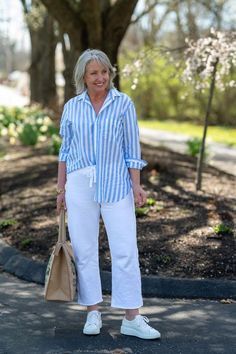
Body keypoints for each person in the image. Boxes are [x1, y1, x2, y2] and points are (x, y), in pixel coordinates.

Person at [56, 49, 161, 340]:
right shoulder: (72, 107)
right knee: (86, 250)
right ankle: (93, 311)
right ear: (83, 77)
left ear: (110, 74)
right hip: (79, 185)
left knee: (126, 248)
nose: (100, 78)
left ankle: (131, 317)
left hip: (116, 185)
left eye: (104, 72)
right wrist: (61, 189)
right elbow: (65, 152)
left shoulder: (123, 104)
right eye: (94, 73)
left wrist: (136, 185)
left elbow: (132, 151)